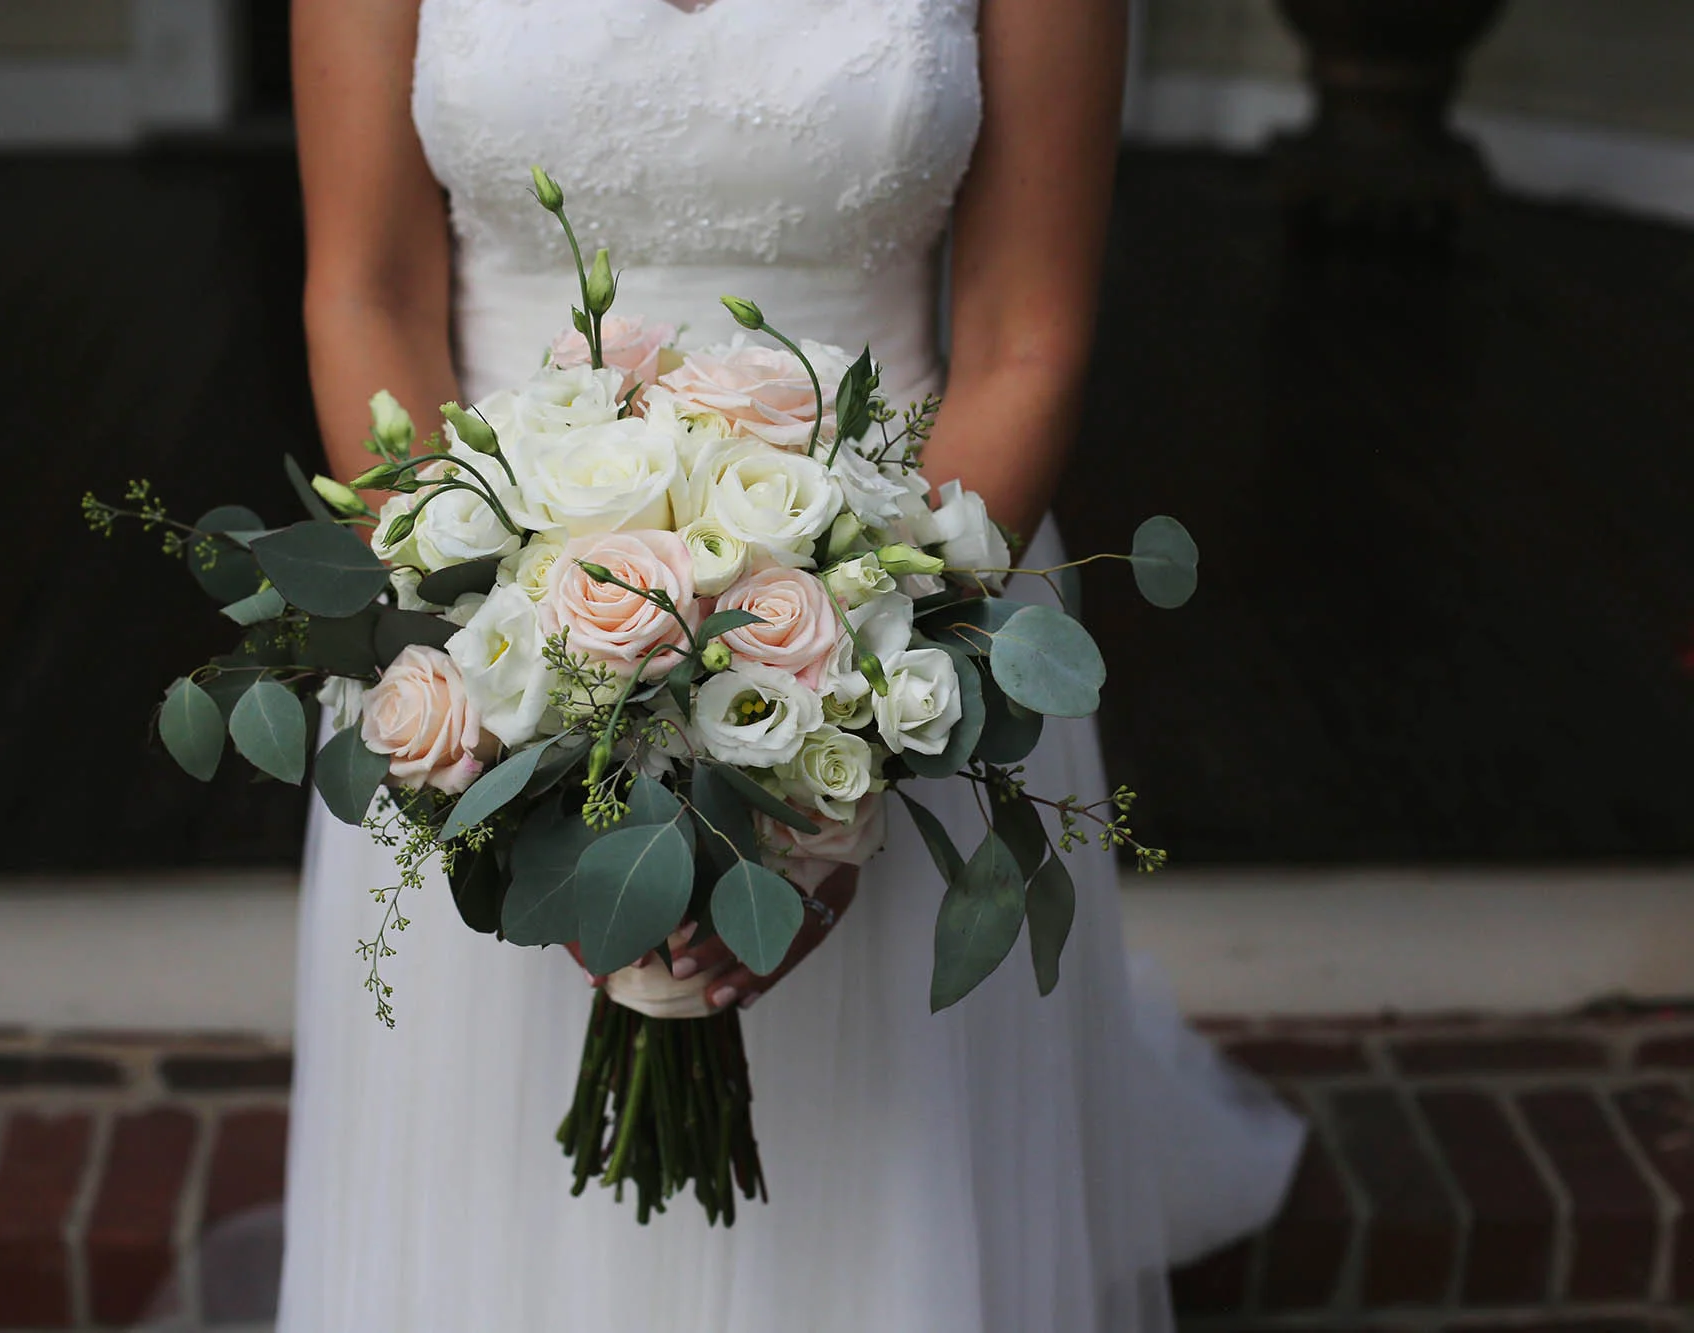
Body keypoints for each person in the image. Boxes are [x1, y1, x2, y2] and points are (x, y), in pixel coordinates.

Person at [278, 1, 1303, 1328]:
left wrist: (848, 732)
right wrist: (490, 669)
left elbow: (1025, 338)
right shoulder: (479, 661)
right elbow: (365, 292)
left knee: (873, 1207)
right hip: (486, 646)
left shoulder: (885, 670)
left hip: (910, 606)